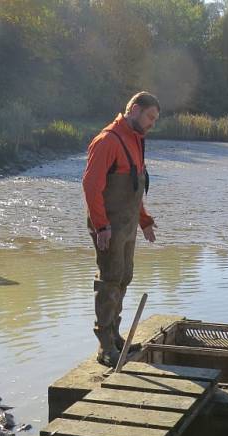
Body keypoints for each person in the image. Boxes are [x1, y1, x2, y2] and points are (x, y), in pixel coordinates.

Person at [82, 91, 159, 367]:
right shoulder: (107, 141)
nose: (152, 123)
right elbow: (91, 186)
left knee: (124, 277)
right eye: (150, 117)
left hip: (127, 226)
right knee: (109, 280)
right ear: (135, 109)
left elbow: (134, 190)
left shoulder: (137, 142)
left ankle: (115, 337)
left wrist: (145, 221)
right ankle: (105, 347)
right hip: (109, 227)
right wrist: (101, 226)